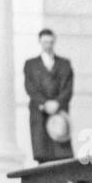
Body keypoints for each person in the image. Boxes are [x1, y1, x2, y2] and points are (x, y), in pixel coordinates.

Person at [22, 28, 75, 163]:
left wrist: (57, 103)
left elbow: (68, 88)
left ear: (54, 42)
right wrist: (44, 103)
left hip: (59, 114)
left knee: (61, 155)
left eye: (50, 42)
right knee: (43, 154)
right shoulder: (31, 65)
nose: (48, 45)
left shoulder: (64, 64)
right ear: (40, 42)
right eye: (45, 42)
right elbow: (30, 88)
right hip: (40, 114)